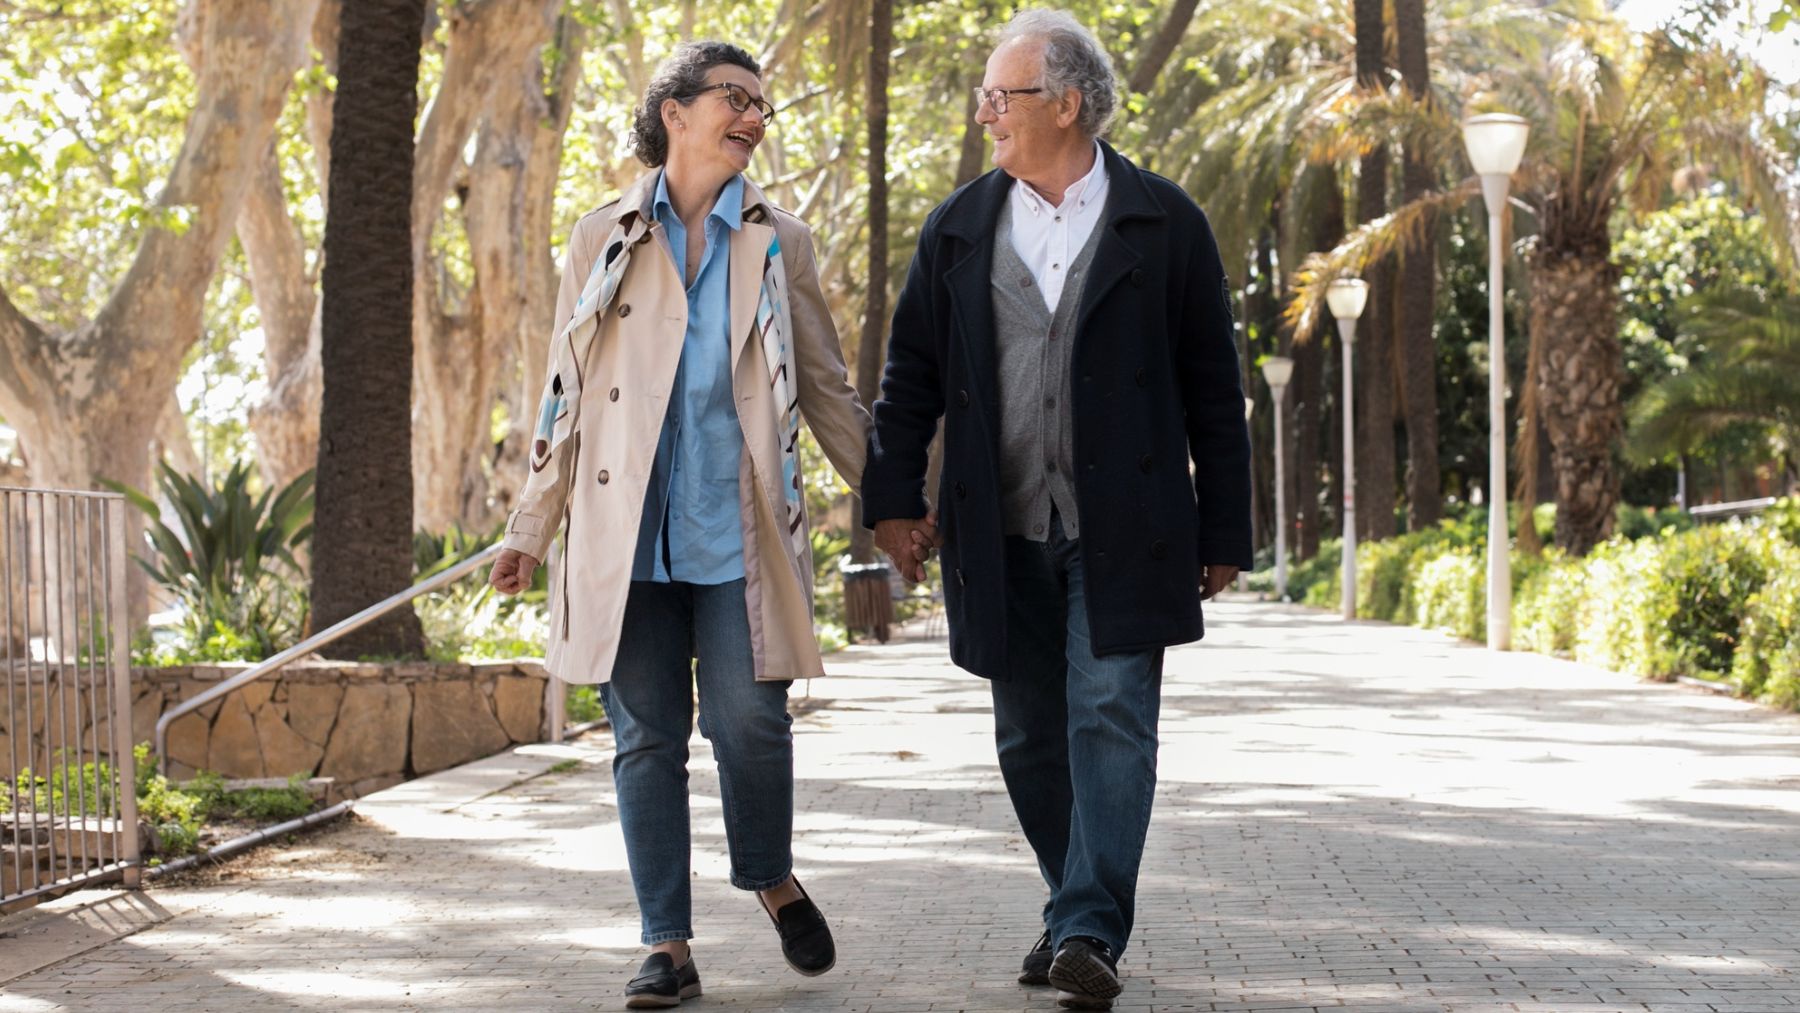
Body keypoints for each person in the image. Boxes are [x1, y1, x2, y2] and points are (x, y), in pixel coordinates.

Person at [860, 9, 1252, 1010]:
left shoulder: (1164, 222)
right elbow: (911, 374)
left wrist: (1225, 528)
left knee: (1111, 712)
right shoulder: (959, 227)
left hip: (1132, 525)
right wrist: (892, 500)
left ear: (1068, 103)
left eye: (1004, 94)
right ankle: (1068, 904)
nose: (986, 111)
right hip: (997, 526)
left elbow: (1215, 382)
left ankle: (1086, 927)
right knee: (1029, 733)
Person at [489, 41, 878, 1010]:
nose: (752, 117)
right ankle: (666, 942)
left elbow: (824, 385)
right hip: (625, 533)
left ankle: (771, 876)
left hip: (737, 526)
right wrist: (529, 524)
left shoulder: (777, 237)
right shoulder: (603, 234)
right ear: (675, 110)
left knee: (751, 720)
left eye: (761, 106)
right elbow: (562, 393)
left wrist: (898, 500)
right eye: (735, 100)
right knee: (646, 736)